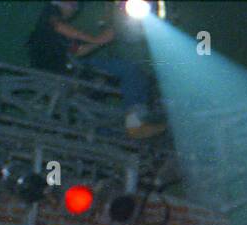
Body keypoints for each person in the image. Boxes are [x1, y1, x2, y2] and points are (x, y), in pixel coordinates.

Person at [27, 0, 166, 139]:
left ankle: (129, 129)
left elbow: (77, 51)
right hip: (66, 73)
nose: (75, 10)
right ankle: (135, 124)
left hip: (70, 71)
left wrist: (102, 40)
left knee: (100, 112)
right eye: (74, 5)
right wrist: (95, 39)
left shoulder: (52, 34)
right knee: (129, 71)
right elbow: (58, 26)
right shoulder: (51, 13)